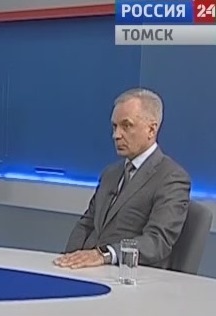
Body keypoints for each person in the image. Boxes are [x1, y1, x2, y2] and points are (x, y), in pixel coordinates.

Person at [54, 88, 190, 270]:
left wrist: (105, 255)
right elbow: (86, 224)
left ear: (151, 129)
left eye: (126, 126)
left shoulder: (171, 177)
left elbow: (156, 241)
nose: (116, 135)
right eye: (114, 126)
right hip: (87, 271)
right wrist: (68, 260)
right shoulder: (111, 174)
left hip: (127, 275)